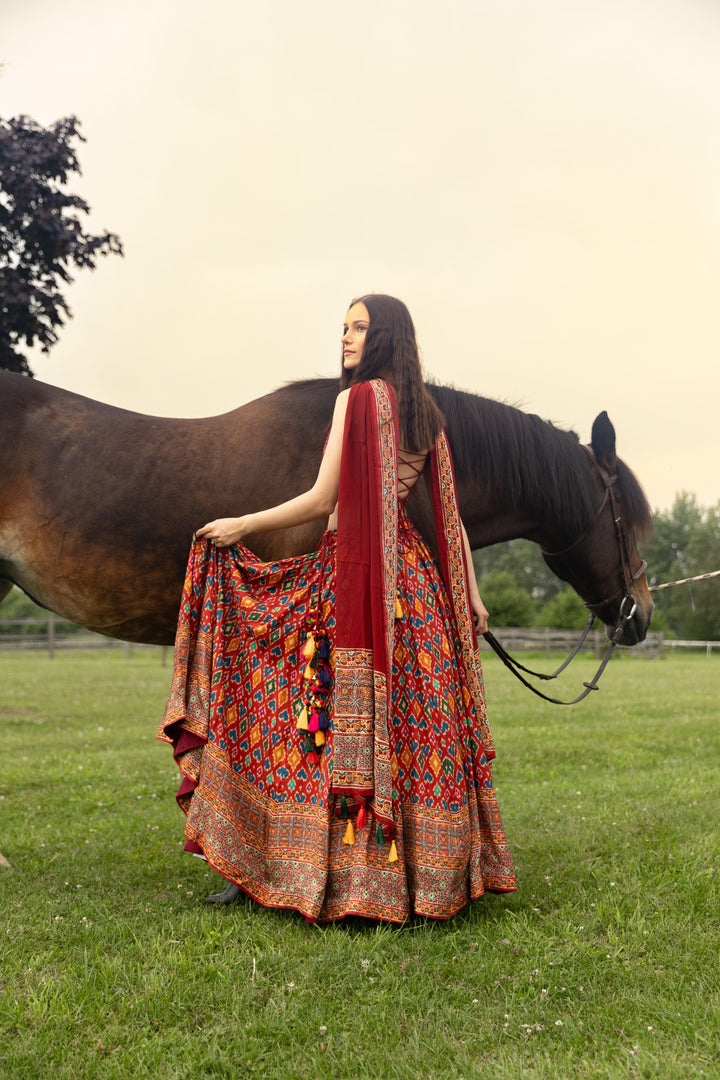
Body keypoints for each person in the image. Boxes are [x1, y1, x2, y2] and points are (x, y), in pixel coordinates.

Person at [158, 294, 516, 922]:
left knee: (286, 710)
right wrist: (473, 596)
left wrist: (244, 524)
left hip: (351, 579)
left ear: (384, 338)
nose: (345, 337)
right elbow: (449, 520)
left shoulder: (354, 401)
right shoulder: (424, 414)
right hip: (416, 592)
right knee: (410, 731)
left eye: (358, 327)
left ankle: (265, 861)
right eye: (343, 327)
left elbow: (325, 499)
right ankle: (420, 880)